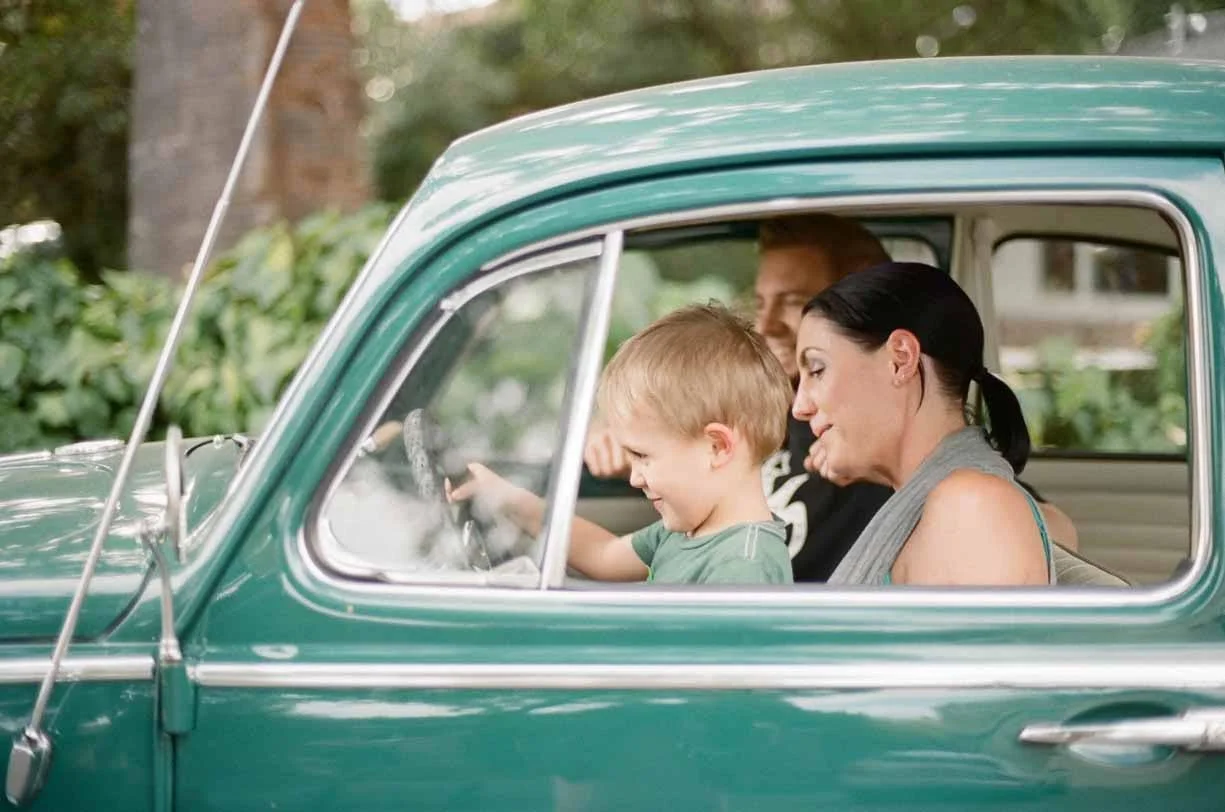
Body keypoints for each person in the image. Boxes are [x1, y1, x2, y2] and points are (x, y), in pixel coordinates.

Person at [448, 304, 795, 585]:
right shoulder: (687, 531)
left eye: (643, 456)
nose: (635, 478)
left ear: (717, 447)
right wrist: (503, 496)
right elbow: (602, 553)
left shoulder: (744, 569)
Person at [792, 262, 1055, 586]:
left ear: (900, 359)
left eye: (817, 370)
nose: (799, 407)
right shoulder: (948, 500)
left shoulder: (973, 507)